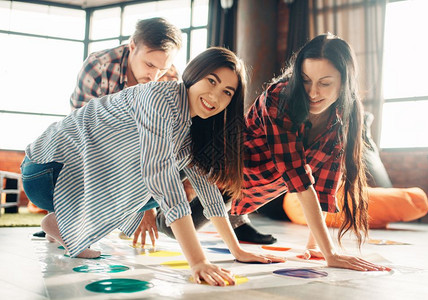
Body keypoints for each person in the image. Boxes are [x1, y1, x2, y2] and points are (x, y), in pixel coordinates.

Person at [21, 47, 284, 286]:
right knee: (158, 181)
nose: (215, 96)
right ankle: (69, 221)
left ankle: (62, 223)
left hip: (65, 180)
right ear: (194, 75)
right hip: (46, 171)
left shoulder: (192, 125)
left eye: (227, 92)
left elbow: (207, 189)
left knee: (161, 184)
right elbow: (160, 176)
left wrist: (236, 251)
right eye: (211, 81)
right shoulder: (161, 99)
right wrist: (198, 262)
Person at [231, 33, 387, 271]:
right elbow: (297, 176)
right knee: (170, 225)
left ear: (345, 82)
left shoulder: (346, 113)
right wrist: (330, 253)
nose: (313, 93)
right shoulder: (278, 98)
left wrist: (314, 246)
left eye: (325, 83)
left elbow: (325, 183)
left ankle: (235, 218)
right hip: (220, 181)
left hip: (249, 199)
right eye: (305, 80)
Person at [31, 16, 183, 240]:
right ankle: (62, 219)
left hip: (135, 153)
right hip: (89, 143)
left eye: (162, 69)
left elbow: (157, 144)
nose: (154, 77)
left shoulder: (168, 78)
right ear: (132, 45)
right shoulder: (99, 67)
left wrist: (145, 206)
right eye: (149, 65)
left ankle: (83, 220)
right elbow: (77, 133)